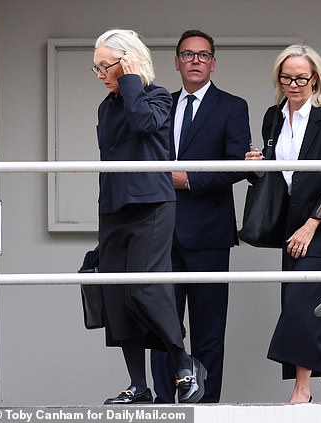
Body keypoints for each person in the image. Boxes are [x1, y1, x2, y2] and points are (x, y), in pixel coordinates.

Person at [92, 29, 206, 405]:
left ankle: (185, 364)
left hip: (151, 207)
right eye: (95, 69)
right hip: (113, 208)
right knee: (118, 296)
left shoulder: (155, 96)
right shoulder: (106, 107)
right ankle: (139, 385)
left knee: (144, 288)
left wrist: (129, 80)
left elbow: (143, 124)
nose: (100, 75)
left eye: (105, 66)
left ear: (128, 62)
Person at [245, 44, 321, 403]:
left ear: (316, 78)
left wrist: (312, 223)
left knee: (301, 304)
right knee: (306, 306)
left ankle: (301, 389)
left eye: (301, 78)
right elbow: (277, 175)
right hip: (291, 223)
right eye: (286, 77)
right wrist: (256, 165)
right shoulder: (272, 116)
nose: (293, 84)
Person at [150, 29, 251, 404]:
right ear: (176, 62)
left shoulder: (231, 106)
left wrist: (189, 180)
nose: (195, 60)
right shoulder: (161, 105)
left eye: (203, 55)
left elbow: (238, 165)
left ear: (213, 62)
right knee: (162, 326)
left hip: (209, 234)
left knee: (209, 331)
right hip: (161, 233)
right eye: (188, 54)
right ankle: (163, 402)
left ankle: (206, 407)